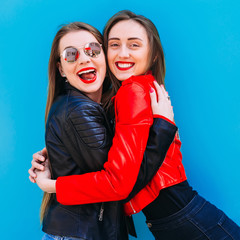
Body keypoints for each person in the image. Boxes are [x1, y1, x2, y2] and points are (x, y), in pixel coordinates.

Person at [30, 10, 240, 240]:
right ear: (60, 67)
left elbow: (118, 177)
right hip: (169, 217)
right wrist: (58, 160)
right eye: (114, 44)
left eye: (134, 45)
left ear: (154, 55)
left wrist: (55, 176)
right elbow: (118, 176)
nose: (123, 53)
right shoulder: (122, 96)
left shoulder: (129, 93)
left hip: (181, 216)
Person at [29, 20, 178, 240]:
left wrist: (55, 153)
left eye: (93, 50)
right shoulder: (79, 111)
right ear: (61, 68)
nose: (84, 58)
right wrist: (163, 129)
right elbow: (121, 183)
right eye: (71, 54)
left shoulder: (97, 107)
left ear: (104, 57)